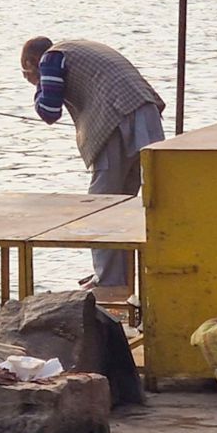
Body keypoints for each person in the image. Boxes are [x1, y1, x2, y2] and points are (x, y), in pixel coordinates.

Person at [21, 37, 165, 288]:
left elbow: (49, 111)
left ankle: (108, 280)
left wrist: (38, 84)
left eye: (25, 72)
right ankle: (119, 277)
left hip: (116, 118)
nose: (27, 78)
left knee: (101, 204)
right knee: (126, 202)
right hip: (145, 112)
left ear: (31, 61)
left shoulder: (50, 59)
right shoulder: (74, 48)